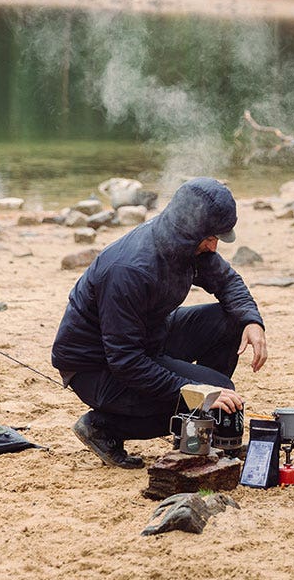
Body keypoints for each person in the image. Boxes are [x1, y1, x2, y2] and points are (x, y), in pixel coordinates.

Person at [52, 177, 267, 468]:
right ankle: (103, 426)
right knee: (214, 391)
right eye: (211, 238)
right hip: (96, 366)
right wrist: (196, 391)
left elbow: (227, 282)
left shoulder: (190, 245)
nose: (214, 247)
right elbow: (125, 360)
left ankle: (201, 424)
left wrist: (252, 322)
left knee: (231, 320)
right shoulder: (129, 269)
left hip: (151, 338)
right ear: (189, 230)